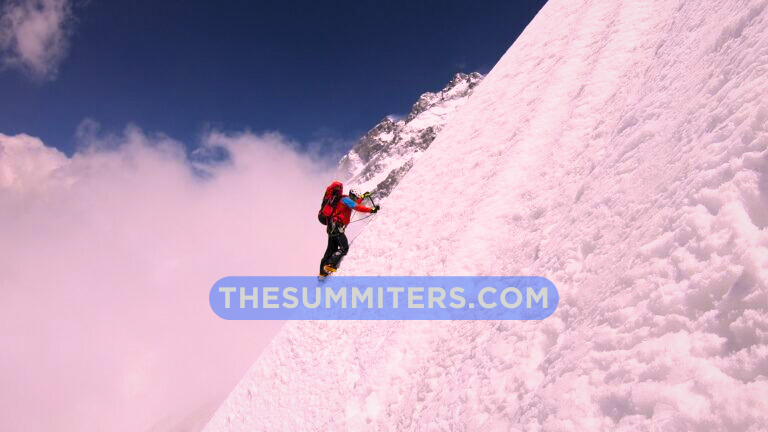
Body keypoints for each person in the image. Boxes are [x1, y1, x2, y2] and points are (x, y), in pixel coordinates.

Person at [319, 188, 380, 276]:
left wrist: (363, 197)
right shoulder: (346, 200)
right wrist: (371, 210)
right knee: (344, 248)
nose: (356, 199)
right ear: (352, 195)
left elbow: (355, 202)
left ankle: (322, 272)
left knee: (331, 249)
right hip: (337, 228)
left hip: (332, 227)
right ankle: (329, 265)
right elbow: (356, 206)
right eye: (356, 197)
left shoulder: (345, 199)